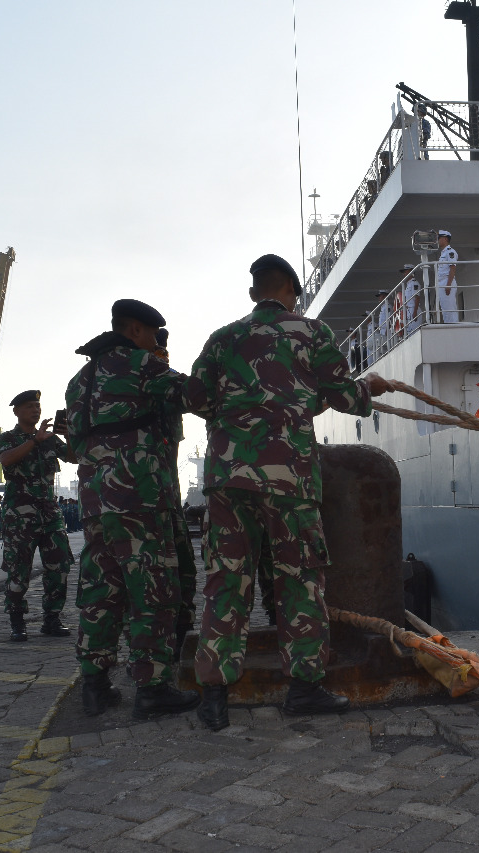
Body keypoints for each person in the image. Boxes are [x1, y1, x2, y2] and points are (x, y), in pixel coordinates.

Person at [184, 253, 391, 731]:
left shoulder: (222, 338)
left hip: (229, 479)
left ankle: (213, 697)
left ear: (253, 293)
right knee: (299, 579)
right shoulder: (310, 332)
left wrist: (239, 412)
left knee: (226, 581)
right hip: (289, 480)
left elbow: (194, 398)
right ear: (292, 294)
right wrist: (369, 387)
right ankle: (304, 689)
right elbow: (345, 396)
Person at [65, 299, 199, 720]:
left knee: (102, 592)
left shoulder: (79, 380)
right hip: (138, 498)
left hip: (95, 503)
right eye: (152, 336)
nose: (154, 344)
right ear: (138, 331)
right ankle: (152, 688)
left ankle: (94, 686)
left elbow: (74, 443)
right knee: (152, 591)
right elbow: (193, 393)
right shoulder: (140, 364)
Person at [0, 390, 77, 643]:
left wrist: (69, 436)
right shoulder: (9, 438)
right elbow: (6, 459)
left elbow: (74, 457)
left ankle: (52, 618)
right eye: (30, 406)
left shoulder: (51, 439)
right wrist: (34, 441)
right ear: (17, 412)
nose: (36, 410)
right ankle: (17, 622)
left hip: (50, 514)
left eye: (38, 406)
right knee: (19, 570)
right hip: (20, 516)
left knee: (59, 567)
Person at [151, 327, 198, 662]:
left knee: (183, 570)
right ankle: (151, 653)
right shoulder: (140, 380)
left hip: (168, 496)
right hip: (145, 501)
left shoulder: (168, 383)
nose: (162, 358)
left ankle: (180, 641)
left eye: (164, 353)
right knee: (148, 578)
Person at [436, 230, 459, 323]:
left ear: (445, 239)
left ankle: (453, 326)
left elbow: (452, 268)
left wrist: (448, 285)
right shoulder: (443, 253)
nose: (437, 240)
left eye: (439, 238)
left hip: (447, 281)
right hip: (442, 282)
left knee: (450, 308)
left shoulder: (450, 252)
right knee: (445, 309)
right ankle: (448, 325)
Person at [402, 265, 423, 334]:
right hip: (410, 310)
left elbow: (417, 298)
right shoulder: (408, 284)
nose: (404, 274)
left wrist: (415, 312)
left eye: (405, 272)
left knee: (415, 332)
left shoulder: (414, 283)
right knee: (410, 333)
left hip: (414, 310)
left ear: (411, 272)